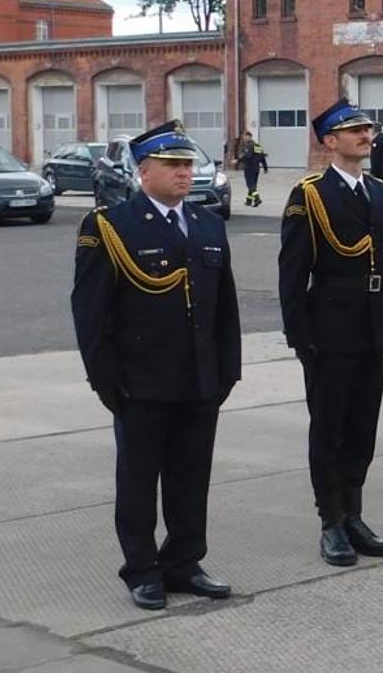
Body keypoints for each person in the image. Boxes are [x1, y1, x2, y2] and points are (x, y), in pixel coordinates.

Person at [72, 120, 241, 610]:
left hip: (200, 378)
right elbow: (91, 311)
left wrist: (227, 369)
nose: (186, 173)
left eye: (189, 164)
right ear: (144, 172)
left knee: (192, 476)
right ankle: (142, 569)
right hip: (140, 380)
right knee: (139, 479)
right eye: (173, 166)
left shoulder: (207, 224)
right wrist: (107, 382)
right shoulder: (110, 225)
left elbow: (223, 308)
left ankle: (185, 561)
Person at [280, 99, 383, 566]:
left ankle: (354, 512)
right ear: (330, 141)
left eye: (367, 129)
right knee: (329, 428)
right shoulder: (309, 195)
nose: (365, 136)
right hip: (330, 328)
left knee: (361, 427)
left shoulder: (379, 191)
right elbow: (292, 274)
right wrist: (301, 338)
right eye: (353, 131)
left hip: (372, 327)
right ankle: (330, 520)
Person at [237, 133, 268, 208]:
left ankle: (257, 198)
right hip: (256, 168)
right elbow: (262, 157)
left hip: (249, 168)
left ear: (249, 137)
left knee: (250, 185)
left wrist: (238, 160)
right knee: (253, 184)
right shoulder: (258, 146)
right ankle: (249, 200)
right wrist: (265, 168)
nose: (244, 139)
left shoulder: (248, 146)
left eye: (245, 137)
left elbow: (248, 156)